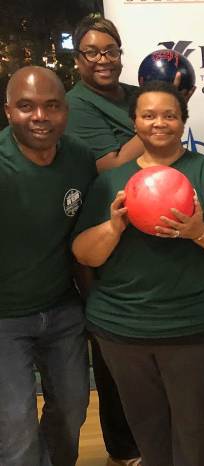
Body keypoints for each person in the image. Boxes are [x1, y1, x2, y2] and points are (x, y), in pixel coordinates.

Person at [71, 81, 204, 466]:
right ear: (133, 122)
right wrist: (113, 228)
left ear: (183, 121)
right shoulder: (109, 183)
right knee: (149, 434)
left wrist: (198, 231)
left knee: (199, 437)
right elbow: (84, 254)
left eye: (169, 115)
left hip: (200, 330)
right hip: (125, 332)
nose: (159, 123)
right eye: (149, 115)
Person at [0, 66, 95, 466]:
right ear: (8, 112)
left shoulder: (79, 159)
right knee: (16, 423)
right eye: (26, 106)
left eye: (51, 106)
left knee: (73, 408)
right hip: (5, 318)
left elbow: (85, 240)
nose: (40, 116)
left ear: (65, 112)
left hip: (62, 308)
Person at [66, 14, 143, 174]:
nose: (103, 60)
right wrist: (163, 116)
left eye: (111, 51)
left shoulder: (139, 94)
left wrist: (173, 105)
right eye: (92, 53)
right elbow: (111, 167)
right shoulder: (75, 104)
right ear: (76, 59)